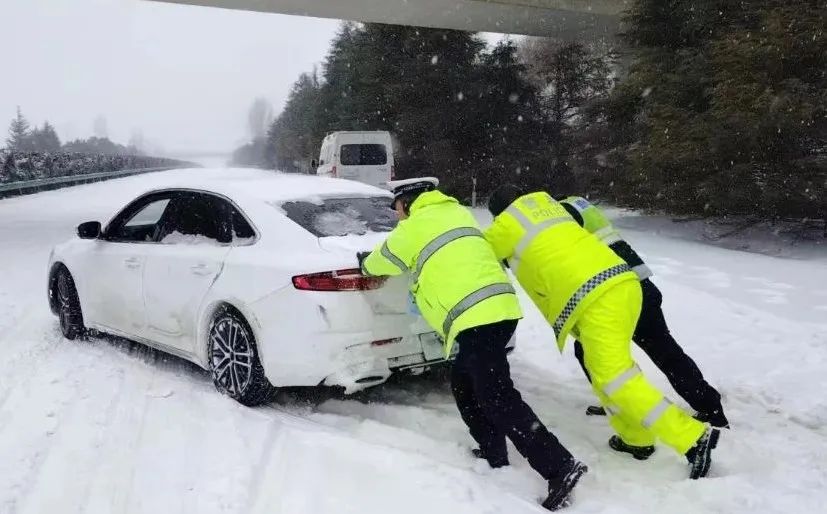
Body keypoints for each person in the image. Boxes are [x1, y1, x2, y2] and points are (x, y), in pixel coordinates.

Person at [358, 177, 587, 510]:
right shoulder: (457, 213)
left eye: (396, 209)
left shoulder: (416, 224)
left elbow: (385, 260)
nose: (396, 216)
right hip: (497, 309)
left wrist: (365, 262)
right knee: (464, 385)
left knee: (497, 397)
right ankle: (493, 451)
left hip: (476, 316)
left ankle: (559, 466)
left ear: (406, 203)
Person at [484, 184, 719, 479]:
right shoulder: (551, 206)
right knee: (606, 372)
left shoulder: (506, 224)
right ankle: (635, 438)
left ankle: (691, 437)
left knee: (615, 377)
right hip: (623, 283)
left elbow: (477, 253)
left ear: (498, 213)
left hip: (596, 298)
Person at [557, 196, 729, 436]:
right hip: (640, 284)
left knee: (591, 353)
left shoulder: (560, 214)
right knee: (666, 351)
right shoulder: (579, 203)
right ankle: (710, 407)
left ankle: (619, 406)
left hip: (615, 290)